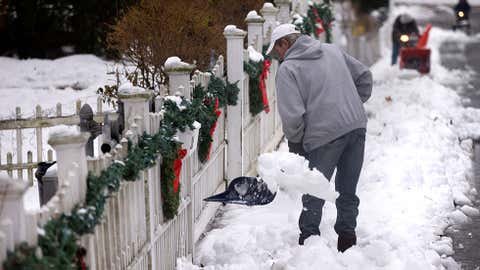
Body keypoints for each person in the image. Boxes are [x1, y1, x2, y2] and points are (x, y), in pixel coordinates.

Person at [265, 24, 372, 252]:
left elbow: (293, 116)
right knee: (347, 187)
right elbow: (364, 77)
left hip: (324, 136)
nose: (278, 57)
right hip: (356, 126)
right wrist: (349, 105)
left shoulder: (288, 69)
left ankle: (309, 242)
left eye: (277, 51)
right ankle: (347, 238)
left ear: (284, 43)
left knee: (314, 188)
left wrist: (296, 144)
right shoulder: (331, 50)